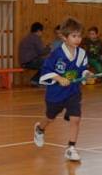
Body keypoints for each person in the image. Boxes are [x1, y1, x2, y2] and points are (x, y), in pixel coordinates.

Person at [33, 17, 91, 161]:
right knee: (50, 117)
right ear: (64, 37)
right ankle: (40, 129)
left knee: (75, 119)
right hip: (56, 94)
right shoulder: (56, 54)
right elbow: (45, 71)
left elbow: (83, 70)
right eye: (74, 36)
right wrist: (59, 78)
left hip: (73, 92)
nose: (78, 39)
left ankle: (71, 148)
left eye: (79, 36)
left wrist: (87, 74)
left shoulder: (82, 54)